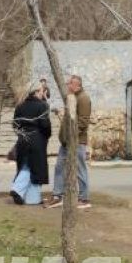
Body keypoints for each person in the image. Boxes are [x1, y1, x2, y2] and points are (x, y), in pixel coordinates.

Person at [46, 74, 92, 210]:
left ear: (76, 85)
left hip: (77, 142)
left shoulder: (84, 98)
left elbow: (83, 122)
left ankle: (84, 199)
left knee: (79, 169)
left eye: (69, 83)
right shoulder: (71, 98)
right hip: (66, 141)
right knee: (59, 167)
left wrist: (72, 136)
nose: (67, 85)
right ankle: (57, 196)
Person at [10, 82, 51, 206]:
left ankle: (32, 198)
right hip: (37, 139)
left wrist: (21, 134)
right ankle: (17, 189)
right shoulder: (42, 106)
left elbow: (15, 124)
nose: (44, 95)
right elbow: (45, 125)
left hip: (22, 139)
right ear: (37, 92)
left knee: (26, 164)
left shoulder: (20, 106)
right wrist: (46, 135)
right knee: (34, 168)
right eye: (43, 92)